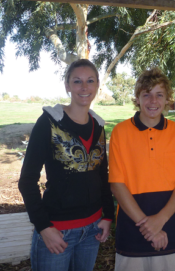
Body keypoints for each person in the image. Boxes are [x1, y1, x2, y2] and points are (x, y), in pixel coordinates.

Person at [18, 59, 114, 271]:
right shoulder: (49, 123)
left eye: (90, 81)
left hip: (92, 229)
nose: (84, 87)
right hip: (57, 231)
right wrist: (44, 227)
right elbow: (27, 181)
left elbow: (102, 176)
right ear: (67, 86)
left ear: (98, 85)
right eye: (77, 81)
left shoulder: (99, 126)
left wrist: (108, 215)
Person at [109, 67, 175, 271]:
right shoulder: (120, 133)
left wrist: (160, 220)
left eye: (159, 95)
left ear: (167, 99)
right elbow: (116, 184)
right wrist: (149, 227)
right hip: (132, 228)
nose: (153, 101)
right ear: (137, 99)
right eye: (146, 94)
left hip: (172, 226)